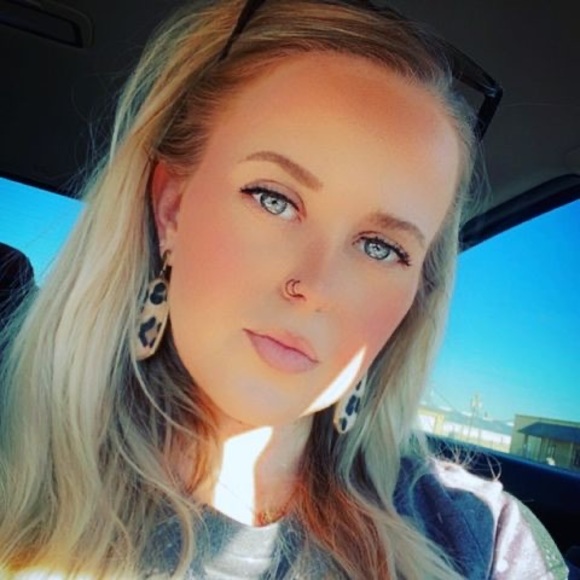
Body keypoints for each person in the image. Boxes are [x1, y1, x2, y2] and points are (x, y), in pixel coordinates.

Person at [0, 0, 568, 578]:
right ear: (172, 208)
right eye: (273, 199)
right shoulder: (15, 465)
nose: (316, 286)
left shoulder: (481, 541)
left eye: (380, 247)